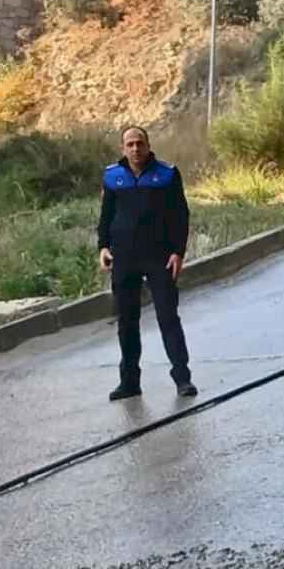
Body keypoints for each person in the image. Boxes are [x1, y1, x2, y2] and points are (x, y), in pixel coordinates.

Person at [97, 126, 197, 401]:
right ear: (123, 148)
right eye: (129, 144)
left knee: (168, 317)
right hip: (124, 258)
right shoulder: (112, 177)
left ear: (148, 145)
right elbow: (106, 216)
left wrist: (178, 252)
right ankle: (129, 381)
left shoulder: (166, 174)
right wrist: (103, 246)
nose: (135, 149)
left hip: (159, 258)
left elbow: (180, 216)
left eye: (139, 143)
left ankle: (182, 378)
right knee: (127, 322)